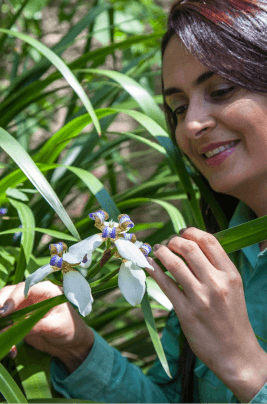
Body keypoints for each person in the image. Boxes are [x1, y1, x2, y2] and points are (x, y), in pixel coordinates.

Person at [1, 0, 267, 402]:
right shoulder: (212, 260)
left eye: (222, 90)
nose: (192, 124)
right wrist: (77, 348)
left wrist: (246, 368)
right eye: (177, 108)